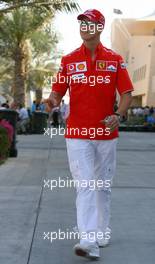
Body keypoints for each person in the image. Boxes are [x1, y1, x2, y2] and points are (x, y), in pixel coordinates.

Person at [46, 9, 133, 260]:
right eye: (82, 24)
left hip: (106, 134)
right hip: (77, 133)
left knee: (102, 187)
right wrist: (51, 101)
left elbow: (126, 93)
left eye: (90, 23)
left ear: (100, 27)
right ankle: (88, 239)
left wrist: (118, 115)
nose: (85, 27)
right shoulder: (69, 60)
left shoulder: (115, 60)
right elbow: (57, 92)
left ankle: (102, 230)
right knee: (85, 184)